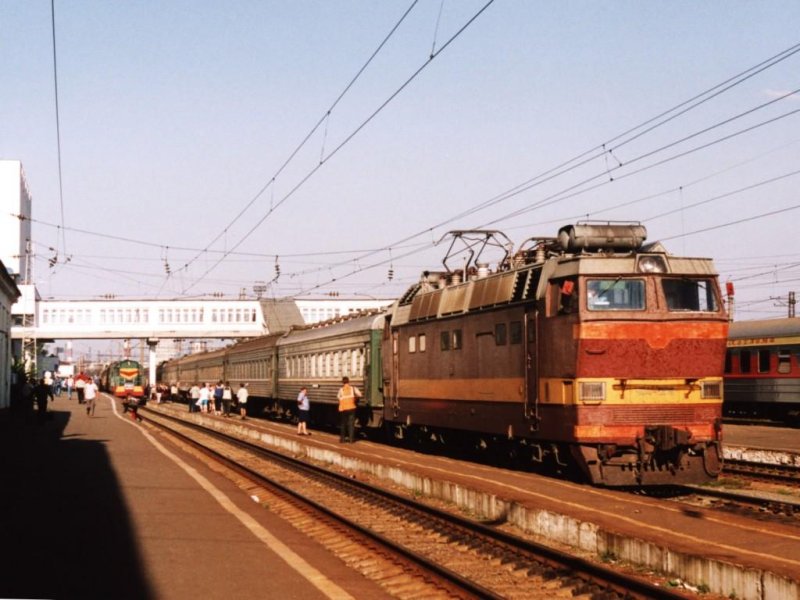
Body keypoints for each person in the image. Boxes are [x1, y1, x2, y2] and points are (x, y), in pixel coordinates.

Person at [337, 377, 361, 443]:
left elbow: (338, 397)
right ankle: (351, 440)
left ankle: (342, 439)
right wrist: (355, 398)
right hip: (352, 408)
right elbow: (360, 394)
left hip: (344, 409)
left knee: (343, 424)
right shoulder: (353, 388)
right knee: (351, 424)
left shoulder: (341, 390)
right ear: (348, 381)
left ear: (343, 382)